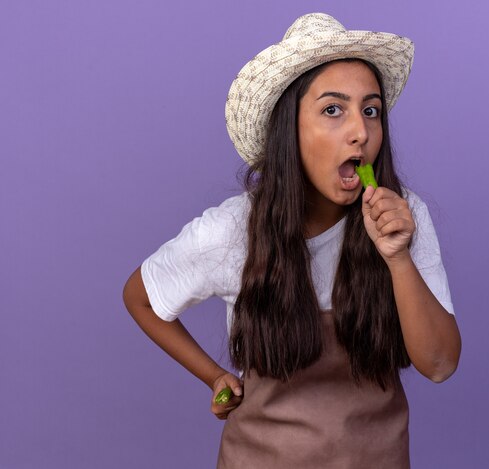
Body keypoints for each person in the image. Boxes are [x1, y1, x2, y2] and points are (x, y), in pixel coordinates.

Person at [123, 12, 461, 469]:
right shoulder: (234, 229)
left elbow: (439, 364)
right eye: (332, 110)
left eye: (371, 110)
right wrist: (216, 377)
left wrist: (397, 257)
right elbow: (140, 298)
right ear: (290, 131)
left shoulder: (404, 217)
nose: (360, 130)